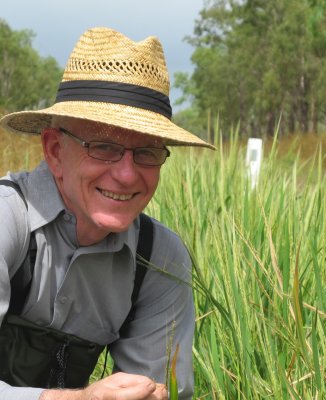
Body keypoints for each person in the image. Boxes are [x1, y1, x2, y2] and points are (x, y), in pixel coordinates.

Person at [0, 27, 214, 400]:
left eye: (147, 151)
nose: (127, 174)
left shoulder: (158, 258)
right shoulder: (7, 219)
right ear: (54, 150)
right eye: (103, 147)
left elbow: (161, 389)